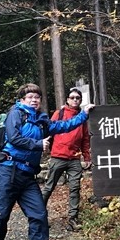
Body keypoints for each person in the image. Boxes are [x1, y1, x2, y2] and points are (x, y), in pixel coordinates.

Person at [0, 83, 95, 240]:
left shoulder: (41, 120)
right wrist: (37, 144)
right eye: (30, 97)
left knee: (39, 215)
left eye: (37, 97)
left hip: (27, 176)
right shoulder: (16, 114)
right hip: (8, 172)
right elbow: (14, 137)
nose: (34, 100)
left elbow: (62, 126)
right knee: (0, 217)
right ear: (22, 100)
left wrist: (83, 115)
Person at [42, 87, 91, 231]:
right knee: (49, 187)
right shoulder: (60, 113)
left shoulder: (83, 117)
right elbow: (49, 129)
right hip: (58, 156)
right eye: (72, 97)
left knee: (75, 188)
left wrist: (86, 156)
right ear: (67, 99)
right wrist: (41, 144)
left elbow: (85, 139)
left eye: (78, 98)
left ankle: (73, 219)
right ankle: (39, 216)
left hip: (74, 158)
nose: (75, 100)